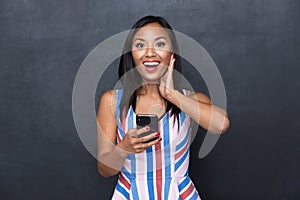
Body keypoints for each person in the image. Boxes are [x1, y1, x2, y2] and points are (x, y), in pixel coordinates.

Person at [97, 15, 230, 200]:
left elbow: (221, 124)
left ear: (172, 54)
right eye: (140, 45)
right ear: (131, 54)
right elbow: (104, 170)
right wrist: (123, 148)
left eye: (160, 44)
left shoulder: (189, 99)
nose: (150, 53)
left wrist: (172, 95)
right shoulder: (111, 101)